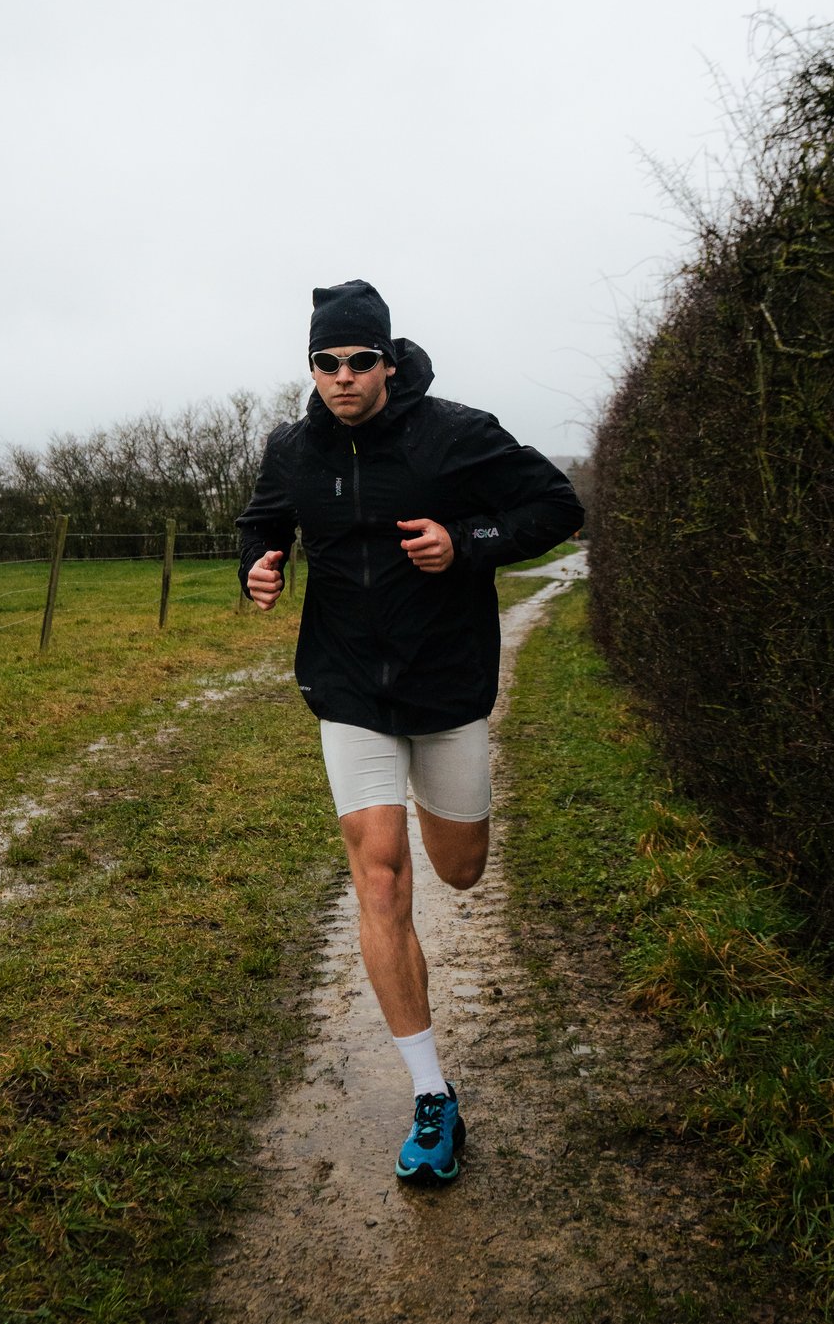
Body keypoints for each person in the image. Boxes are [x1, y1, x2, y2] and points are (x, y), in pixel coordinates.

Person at [237, 280, 583, 1184]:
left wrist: (465, 543)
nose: (342, 377)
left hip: (444, 684)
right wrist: (257, 565)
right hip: (348, 686)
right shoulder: (292, 447)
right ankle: (432, 1096)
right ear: (310, 367)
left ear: (388, 360)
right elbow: (265, 519)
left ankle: (454, 828)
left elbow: (556, 507)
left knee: (458, 867)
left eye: (358, 360)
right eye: (326, 363)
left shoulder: (455, 433)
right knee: (380, 875)